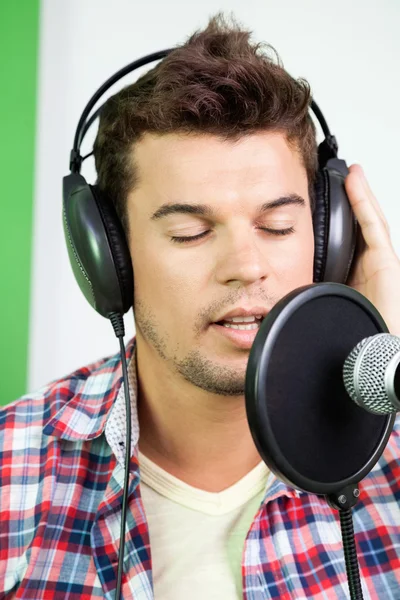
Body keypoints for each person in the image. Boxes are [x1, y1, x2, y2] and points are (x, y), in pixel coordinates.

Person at [1, 14, 400, 600]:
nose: (246, 263)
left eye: (278, 225)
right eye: (190, 232)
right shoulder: (13, 470)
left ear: (330, 242)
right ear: (111, 258)